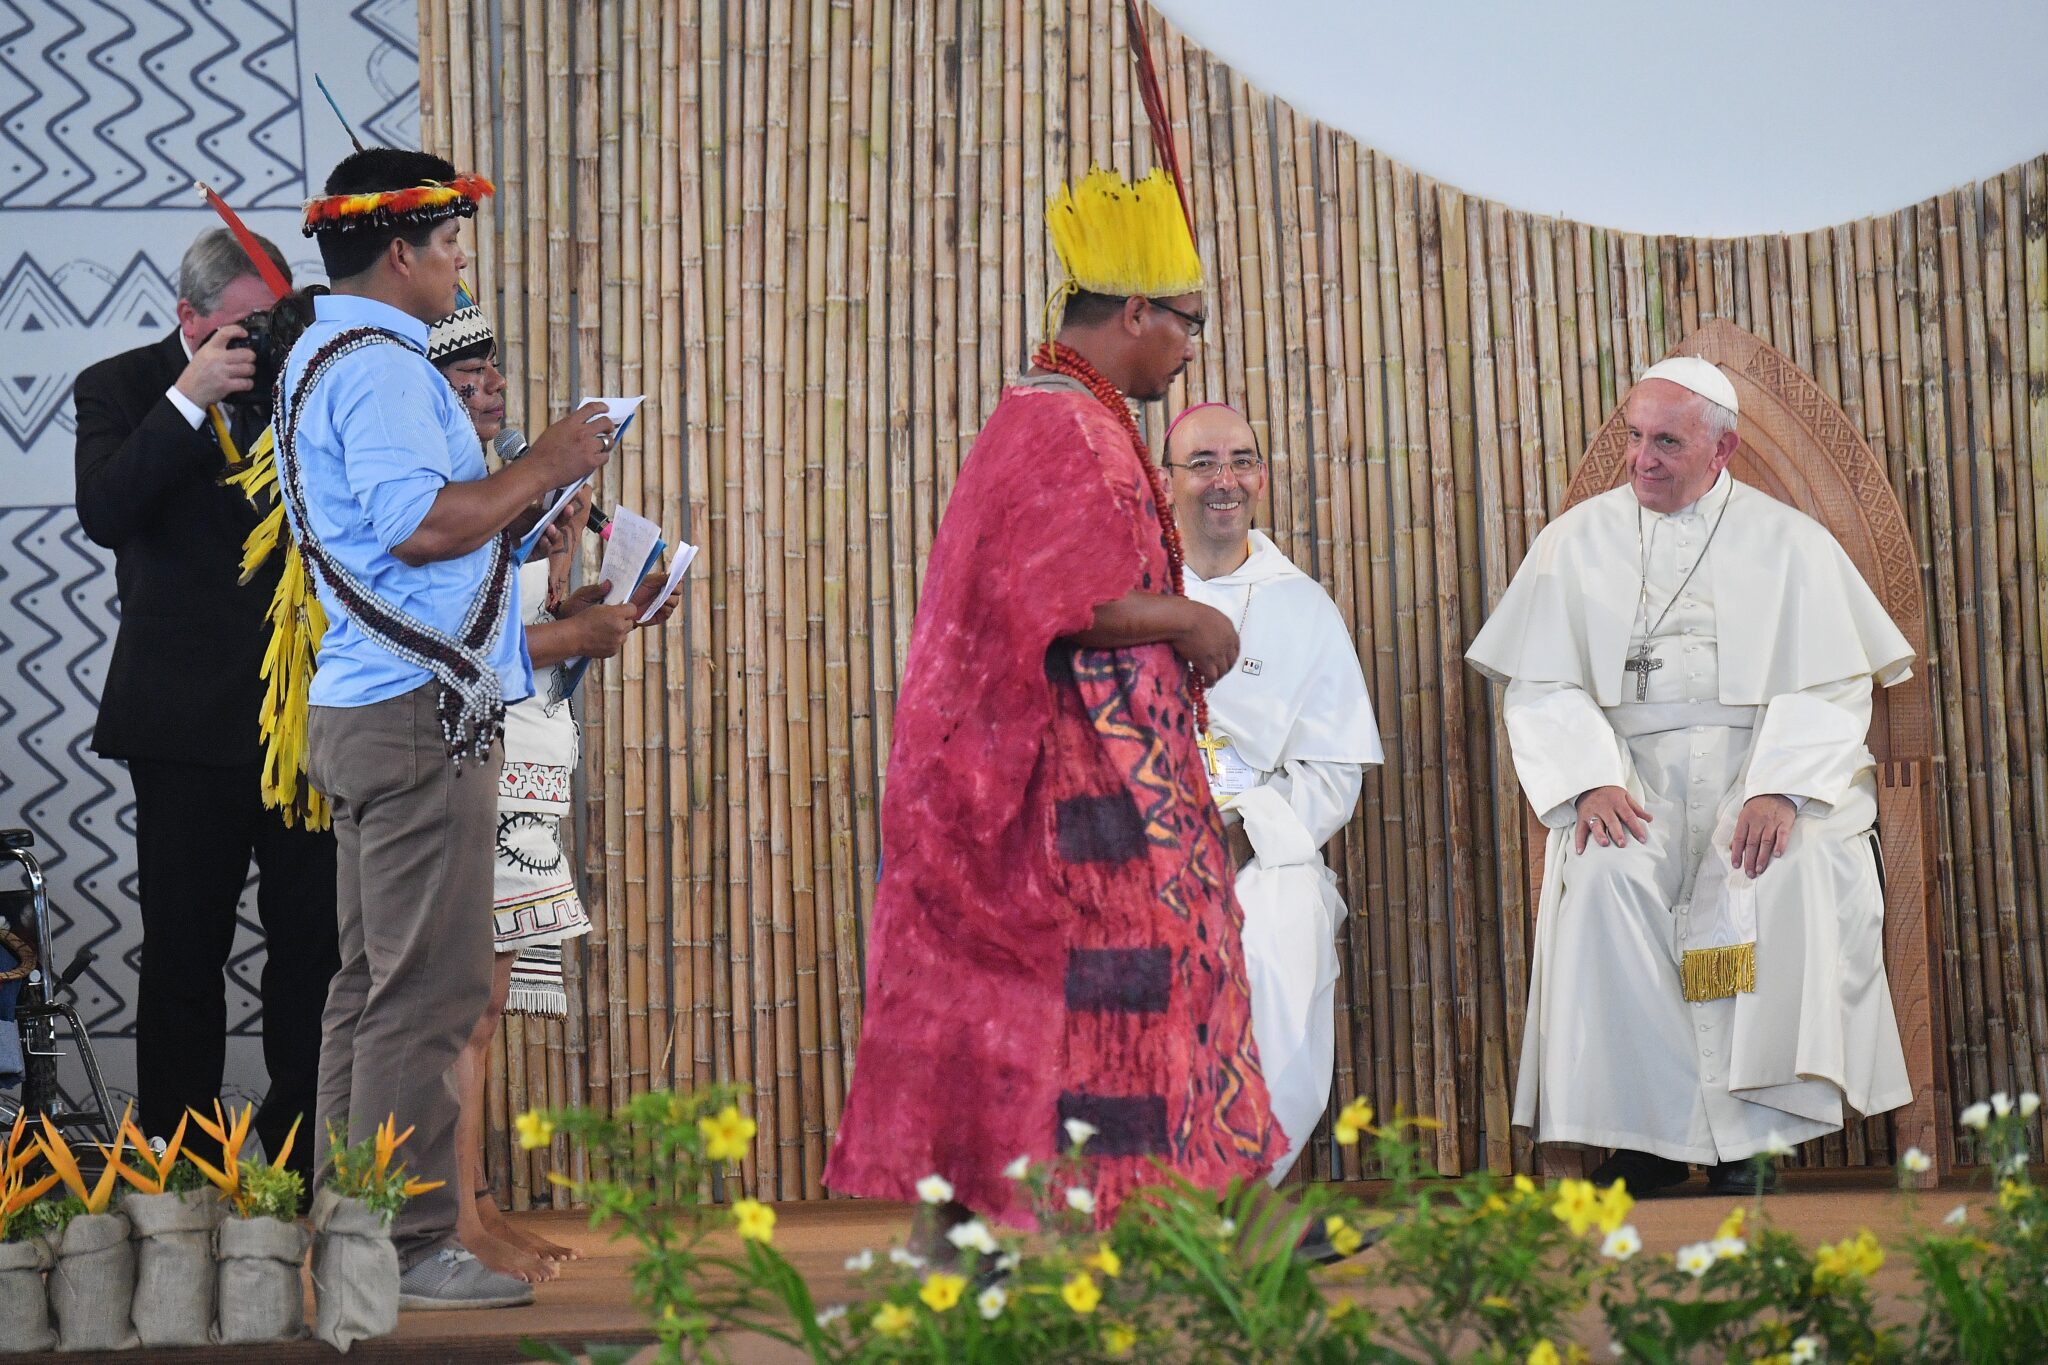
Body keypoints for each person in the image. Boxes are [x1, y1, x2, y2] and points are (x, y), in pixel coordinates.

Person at [825, 165, 1276, 1242]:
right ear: (1134, 313)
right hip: (1070, 803)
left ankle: (1154, 1222)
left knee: (1142, 997)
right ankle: (1066, 1235)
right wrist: (1188, 621)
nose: (1188, 346)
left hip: (1113, 787)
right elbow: (1059, 604)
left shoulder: (1082, 413)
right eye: (1185, 324)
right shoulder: (1058, 426)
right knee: (1103, 1008)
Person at [278, 146, 614, 1309]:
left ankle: (354, 1233)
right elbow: (419, 528)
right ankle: (415, 1246)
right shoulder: (373, 365)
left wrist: (527, 518)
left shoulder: (333, 352)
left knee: (372, 985)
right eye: (454, 242)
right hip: (416, 715)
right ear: (401, 249)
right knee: (425, 993)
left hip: (376, 702)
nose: (462, 264)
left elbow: (415, 545)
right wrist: (543, 460)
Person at [1467, 356, 1916, 1197]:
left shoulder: (1792, 544)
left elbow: (1831, 683)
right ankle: (1645, 1136)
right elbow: (1542, 683)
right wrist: (1590, 778)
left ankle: (1753, 1135)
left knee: (1781, 870)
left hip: (1760, 767)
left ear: (1724, 450)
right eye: (1636, 437)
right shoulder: (1575, 543)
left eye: (1666, 442)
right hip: (1630, 776)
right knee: (1607, 878)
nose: (1642, 458)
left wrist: (1780, 786)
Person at [72, 227, 339, 1187]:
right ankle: (178, 1178)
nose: (257, 347)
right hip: (180, 729)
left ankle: (298, 1157)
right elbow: (105, 509)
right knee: (184, 958)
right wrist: (191, 398)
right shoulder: (122, 385)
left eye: (269, 327)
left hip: (302, 720)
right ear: (190, 320)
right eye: (240, 331)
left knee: (313, 956)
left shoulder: (303, 387)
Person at [427, 303, 676, 1281]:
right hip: (466, 759)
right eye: (465, 379)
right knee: (455, 1009)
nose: (488, 391)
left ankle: (473, 1205)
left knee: (479, 1011)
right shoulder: (439, 499)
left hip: (525, 757)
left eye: (494, 377)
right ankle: (449, 1217)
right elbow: (455, 651)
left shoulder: (498, 502)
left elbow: (514, 632)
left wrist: (563, 576)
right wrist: (559, 621)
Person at [1164, 402, 1381, 1183]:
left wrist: (1240, 834)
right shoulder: (1132, 591)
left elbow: (1333, 773)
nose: (1225, 481)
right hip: (1142, 833)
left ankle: (1243, 1180)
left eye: (1242, 461)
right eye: (1202, 463)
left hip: (1259, 840)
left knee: (1280, 928)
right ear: (1166, 481)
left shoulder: (1302, 606)